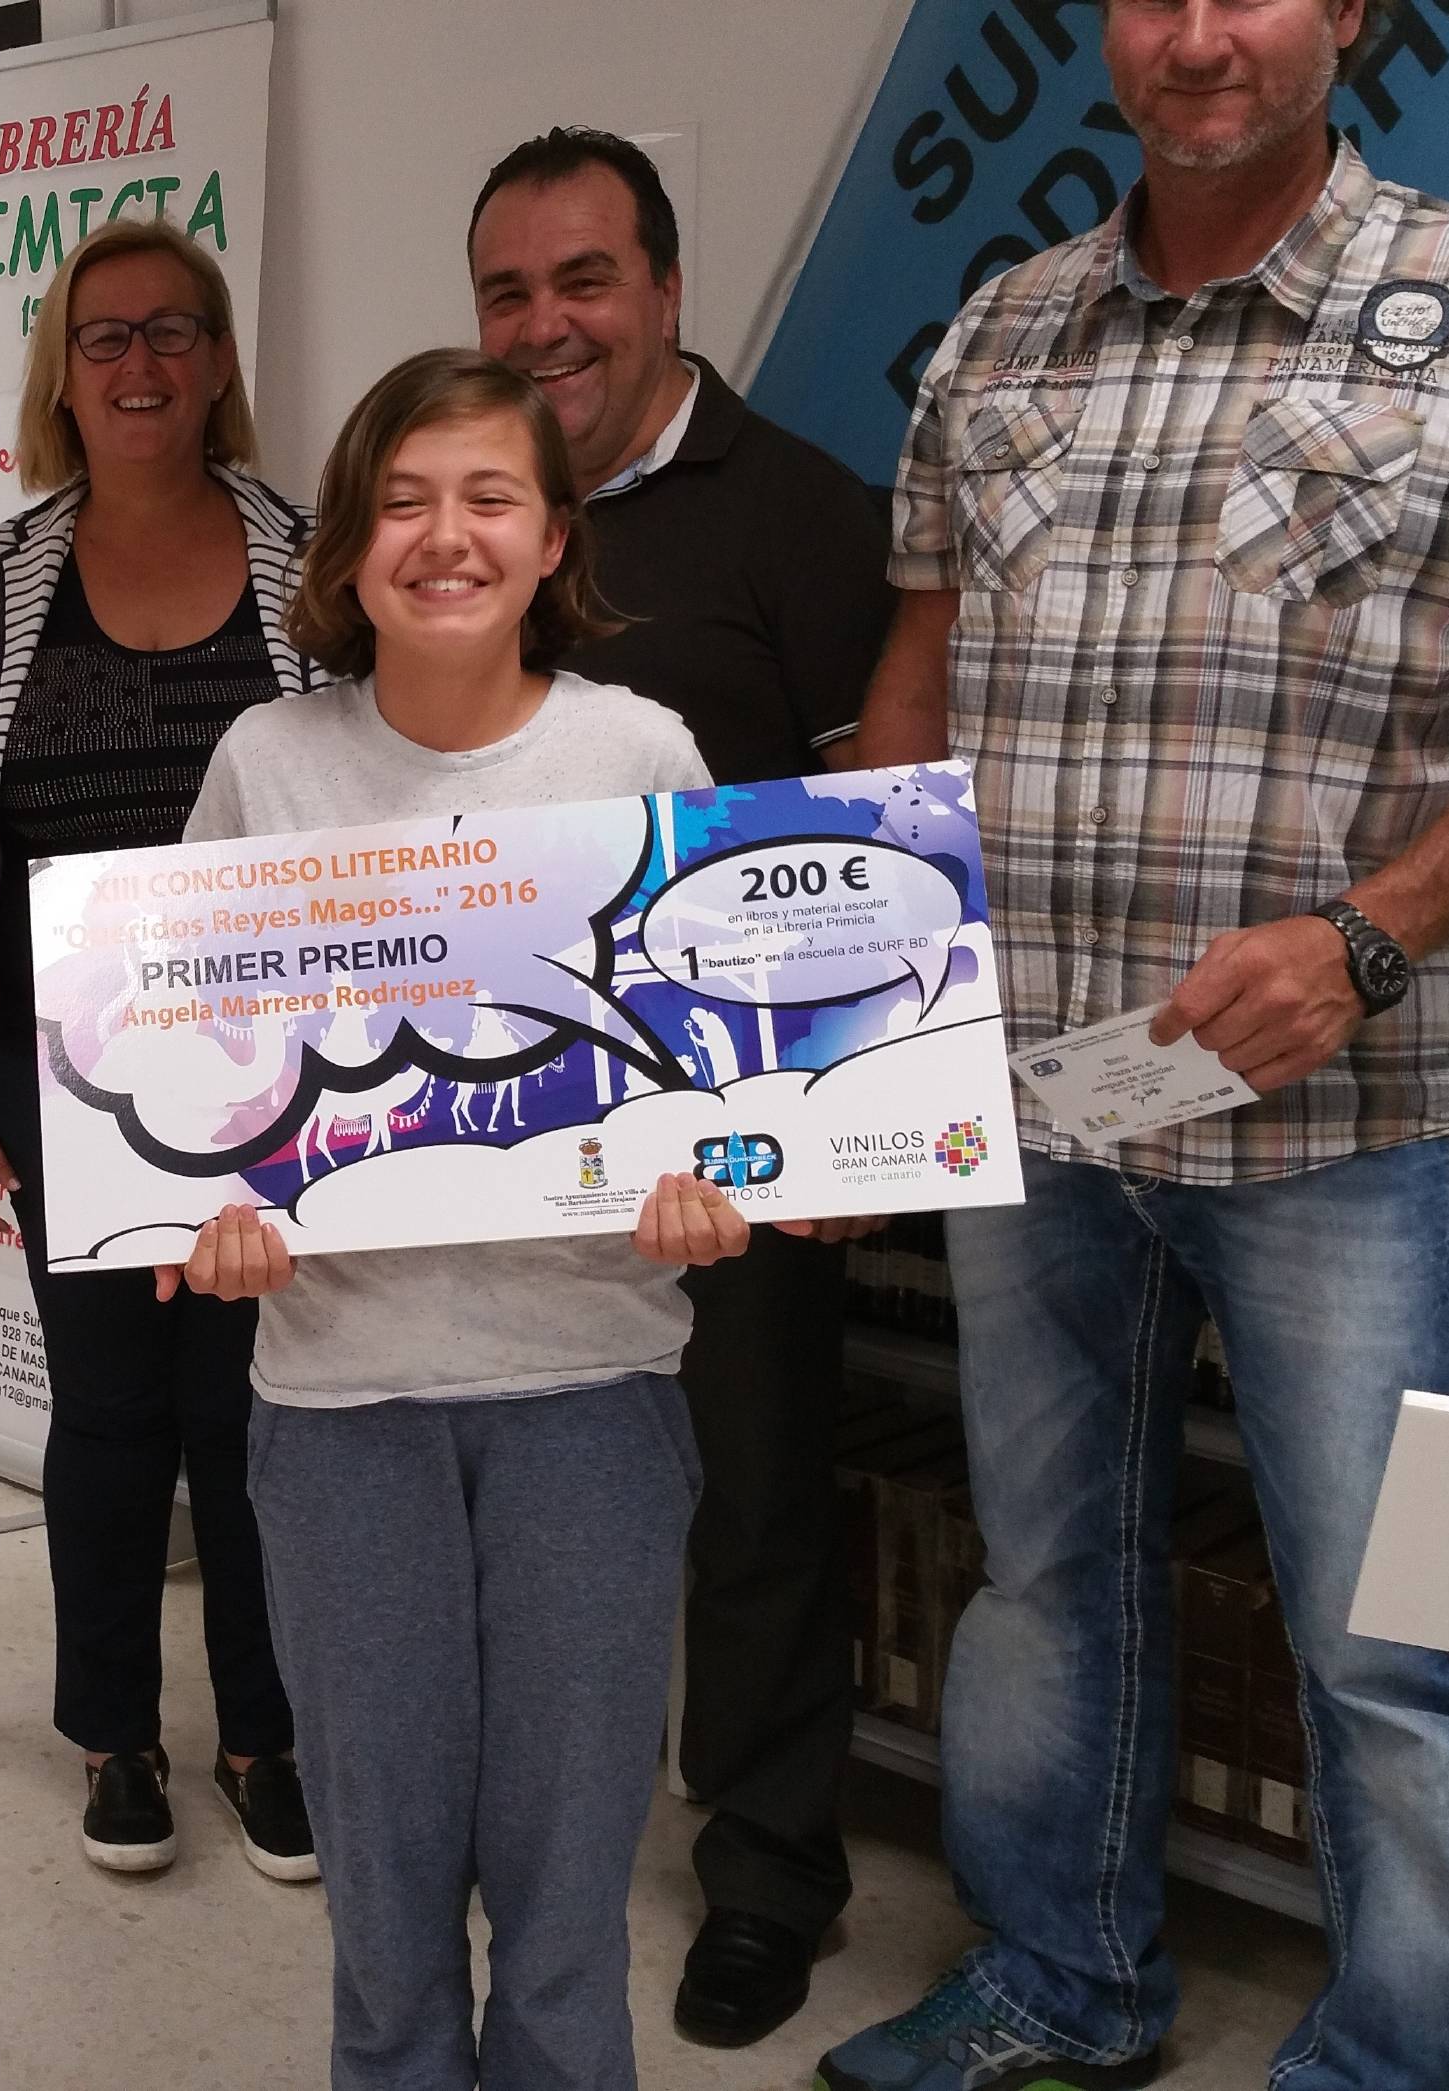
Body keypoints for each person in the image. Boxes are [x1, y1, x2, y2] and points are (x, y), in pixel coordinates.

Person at [824, 3, 1449, 2086]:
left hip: (1345, 1114)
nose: (1198, 32)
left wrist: (1365, 941)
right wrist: (869, 1024)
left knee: (1382, 1639)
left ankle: (1402, 2058)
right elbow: (914, 676)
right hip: (1040, 1093)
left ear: (1349, 12)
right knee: (1043, 1572)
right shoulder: (1001, 332)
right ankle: (1059, 1979)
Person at [171, 345, 873, 2087]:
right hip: (339, 1408)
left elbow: (714, 1076)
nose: (445, 536)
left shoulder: (637, 751)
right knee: (386, 1916)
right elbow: (193, 1068)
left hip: (590, 1398)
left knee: (568, 1921)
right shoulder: (267, 761)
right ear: (347, 546)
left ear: (554, 539)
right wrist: (213, 1213)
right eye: (402, 501)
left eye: (488, 497)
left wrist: (720, 1186)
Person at [466, 125, 895, 2050]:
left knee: (753, 1493)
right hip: (499, 1105)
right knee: (529, 1483)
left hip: (734, 1113)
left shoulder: (801, 511)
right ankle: (528, 1826)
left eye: (583, 281)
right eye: (505, 291)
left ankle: (769, 1870)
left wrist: (848, 1128)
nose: (544, 324)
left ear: (662, 290)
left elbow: (873, 829)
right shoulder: (469, 508)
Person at [0, 216, 318, 1879]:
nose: (139, 363)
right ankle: (112, 1735)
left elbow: (360, 804)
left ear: (218, 360)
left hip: (276, 1064)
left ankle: (264, 1733)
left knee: (257, 1408)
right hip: (57, 1069)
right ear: (61, 374)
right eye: (103, 336)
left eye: (171, 330)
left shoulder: (305, 554)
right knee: (112, 1410)